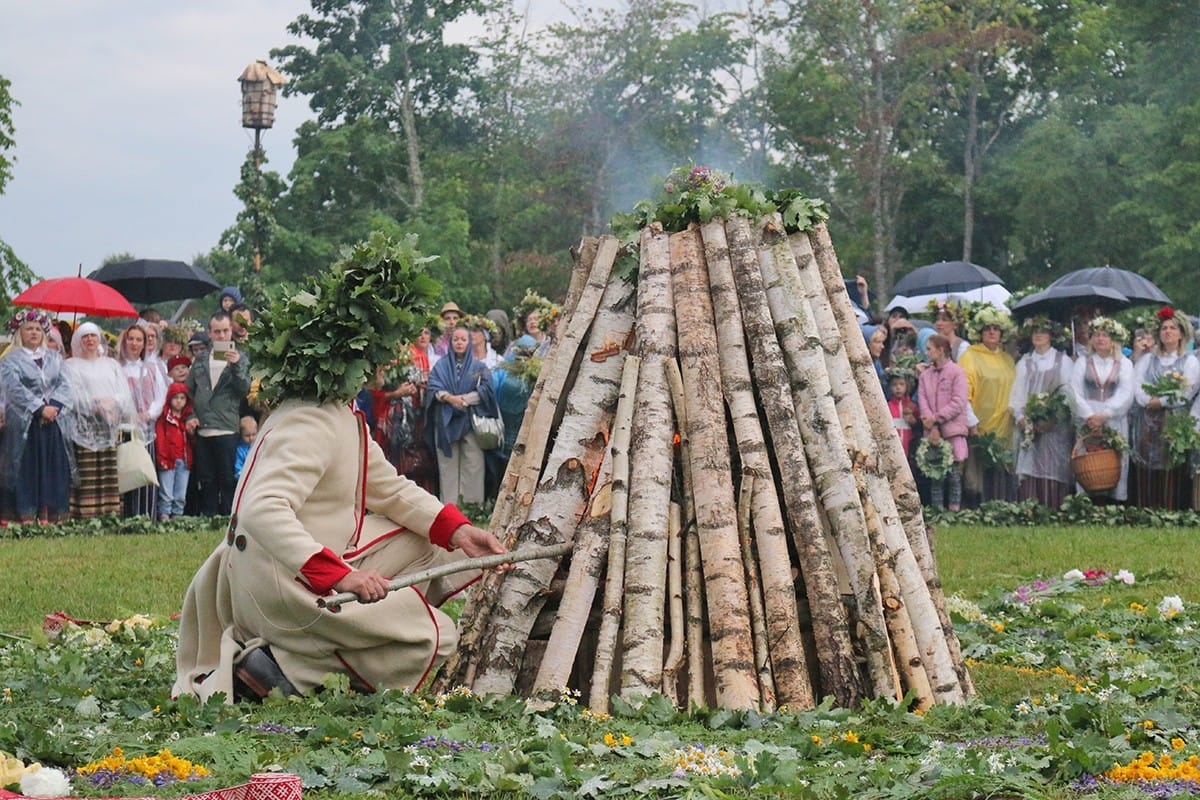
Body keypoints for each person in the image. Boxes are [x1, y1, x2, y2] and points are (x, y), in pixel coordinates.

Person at [173, 242, 508, 703]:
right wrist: (341, 577)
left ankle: (297, 655)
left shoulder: (339, 412)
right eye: (383, 350)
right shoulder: (310, 418)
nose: (391, 360)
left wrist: (459, 531)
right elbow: (260, 510)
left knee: (426, 541)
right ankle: (285, 666)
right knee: (435, 637)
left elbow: (387, 489)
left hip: (288, 568)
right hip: (275, 584)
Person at [0, 310, 73, 525]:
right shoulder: (9, 360)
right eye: (28, 329)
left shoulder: (54, 358)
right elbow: (14, 389)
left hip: (52, 421)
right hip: (24, 423)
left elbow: (65, 384)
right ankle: (25, 515)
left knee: (50, 467)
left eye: (38, 329)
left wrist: (54, 407)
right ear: (19, 333)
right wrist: (39, 408)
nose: (33, 333)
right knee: (26, 467)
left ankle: (48, 516)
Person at [63, 322, 136, 518]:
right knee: (87, 472)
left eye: (93, 336)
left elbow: (124, 394)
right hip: (84, 428)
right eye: (85, 336)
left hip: (109, 425)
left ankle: (109, 513)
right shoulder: (70, 365)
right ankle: (85, 513)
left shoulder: (111, 365)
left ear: (99, 339)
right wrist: (94, 404)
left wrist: (111, 402)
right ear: (78, 340)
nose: (89, 340)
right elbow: (71, 395)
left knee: (108, 470)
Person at [1128, 307, 1199, 509]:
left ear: (1181, 334)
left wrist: (1162, 402)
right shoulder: (1147, 360)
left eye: (1173, 328)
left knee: (1172, 464)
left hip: (1174, 420)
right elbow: (1137, 383)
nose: (1168, 331)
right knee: (1147, 465)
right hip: (1147, 420)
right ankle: (1147, 509)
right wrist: (1146, 401)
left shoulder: (1189, 361)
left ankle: (1171, 508)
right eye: (1164, 328)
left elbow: (1187, 390)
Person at [185, 311, 252, 517]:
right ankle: (208, 518)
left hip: (227, 428)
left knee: (227, 478)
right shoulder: (200, 359)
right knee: (206, 479)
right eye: (217, 332)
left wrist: (236, 366)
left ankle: (230, 518)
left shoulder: (241, 358)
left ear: (231, 330)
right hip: (203, 429)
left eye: (225, 331)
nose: (222, 336)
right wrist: (190, 416)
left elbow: (244, 390)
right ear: (209, 333)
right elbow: (188, 392)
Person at [424, 327, 497, 505]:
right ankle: (449, 507)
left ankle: (472, 506)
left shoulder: (479, 367)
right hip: (445, 422)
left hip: (470, 420)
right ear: (451, 342)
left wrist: (465, 400)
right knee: (447, 464)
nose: (459, 342)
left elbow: (487, 389)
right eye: (456, 339)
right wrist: (448, 398)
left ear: (469, 342)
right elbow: (433, 387)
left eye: (463, 339)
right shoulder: (441, 365)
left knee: (473, 463)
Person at [1009, 316, 1075, 509]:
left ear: (1051, 336)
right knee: (1030, 467)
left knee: (1054, 467)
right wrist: (1023, 419)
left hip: (1056, 428)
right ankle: (1030, 509)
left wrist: (1053, 418)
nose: (1038, 335)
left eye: (1043, 332)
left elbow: (1068, 395)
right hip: (1030, 427)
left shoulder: (1062, 362)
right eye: (1035, 332)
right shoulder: (1024, 363)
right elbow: (1017, 394)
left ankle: (1054, 508)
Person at [1069, 316, 1134, 502]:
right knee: (1087, 461)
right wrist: (1089, 416)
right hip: (1086, 420)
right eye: (1096, 335)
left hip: (1113, 420)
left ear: (1114, 339)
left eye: (1105, 335)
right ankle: (1085, 502)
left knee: (1114, 460)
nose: (1100, 339)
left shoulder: (1124, 364)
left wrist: (1106, 414)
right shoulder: (1083, 362)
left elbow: (1126, 392)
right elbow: (1074, 391)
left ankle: (1115, 502)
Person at [958, 308, 1018, 505]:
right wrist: (971, 422)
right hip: (980, 425)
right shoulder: (970, 356)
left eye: (996, 328)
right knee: (977, 472)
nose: (992, 332)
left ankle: (1001, 505)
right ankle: (978, 506)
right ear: (979, 332)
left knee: (1003, 469)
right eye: (987, 329)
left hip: (1006, 426)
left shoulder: (1007, 359)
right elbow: (963, 392)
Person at [116, 323, 168, 518]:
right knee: (126, 473)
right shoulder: (117, 368)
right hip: (123, 429)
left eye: (139, 340)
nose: (135, 343)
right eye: (131, 339)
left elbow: (160, 396)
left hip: (146, 431)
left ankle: (145, 516)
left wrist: (149, 413)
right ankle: (125, 517)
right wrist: (127, 412)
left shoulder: (151, 369)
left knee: (144, 473)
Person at [918, 334, 969, 510]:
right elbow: (923, 400)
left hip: (953, 429)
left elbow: (959, 401)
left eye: (930, 349)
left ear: (941, 351)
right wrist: (929, 421)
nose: (927, 353)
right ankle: (937, 509)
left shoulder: (957, 372)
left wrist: (937, 418)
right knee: (935, 473)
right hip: (932, 431)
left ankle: (954, 510)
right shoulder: (925, 376)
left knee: (954, 474)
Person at [155, 381, 193, 522]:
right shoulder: (164, 419)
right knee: (166, 492)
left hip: (184, 461)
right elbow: (160, 441)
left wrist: (192, 433)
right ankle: (164, 516)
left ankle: (178, 516)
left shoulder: (186, 419)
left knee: (181, 493)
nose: (179, 401)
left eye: (182, 398)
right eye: (176, 398)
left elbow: (191, 442)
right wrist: (162, 458)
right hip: (168, 461)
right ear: (169, 399)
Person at [233, 415, 258, 481]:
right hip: (245, 479)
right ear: (241, 434)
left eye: (254, 434)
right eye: (247, 435)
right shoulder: (239, 450)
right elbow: (238, 469)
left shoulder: (258, 446)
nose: (251, 438)